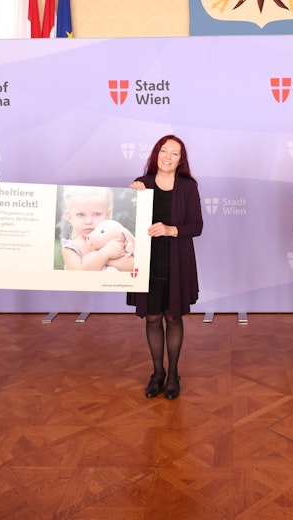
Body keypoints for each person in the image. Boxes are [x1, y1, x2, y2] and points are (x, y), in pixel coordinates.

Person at [126, 135, 203, 400]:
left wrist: (171, 230)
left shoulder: (188, 187)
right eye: (164, 151)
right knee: (152, 317)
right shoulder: (142, 184)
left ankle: (173, 375)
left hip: (176, 261)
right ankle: (157, 372)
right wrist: (129, 198)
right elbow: (126, 221)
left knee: (173, 317)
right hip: (147, 262)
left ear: (181, 160)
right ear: (156, 153)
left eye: (175, 153)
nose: (168, 157)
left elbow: (197, 226)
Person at [59, 186, 133, 272]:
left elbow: (133, 266)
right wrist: (105, 253)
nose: (89, 221)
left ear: (108, 215)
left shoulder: (114, 241)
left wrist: (102, 258)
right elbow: (77, 273)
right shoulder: (70, 248)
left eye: (96, 214)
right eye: (81, 215)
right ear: (70, 217)